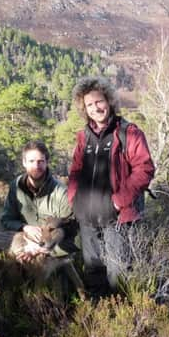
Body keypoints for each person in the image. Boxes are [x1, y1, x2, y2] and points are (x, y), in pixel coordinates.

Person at [68, 76, 155, 297]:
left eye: (99, 101)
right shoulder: (83, 137)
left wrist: (118, 201)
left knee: (119, 273)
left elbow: (144, 169)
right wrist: (74, 199)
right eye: (89, 105)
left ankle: (120, 323)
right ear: (84, 109)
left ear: (109, 101)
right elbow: (75, 171)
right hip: (87, 216)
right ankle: (99, 319)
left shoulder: (129, 133)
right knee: (93, 272)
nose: (96, 108)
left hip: (118, 218)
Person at [0, 141, 76, 262]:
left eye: (41, 161)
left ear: (47, 162)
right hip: (24, 244)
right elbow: (6, 220)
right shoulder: (16, 186)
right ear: (24, 163)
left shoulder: (61, 191)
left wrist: (46, 249)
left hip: (53, 251)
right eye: (31, 161)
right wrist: (24, 227)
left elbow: (73, 229)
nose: (36, 166)